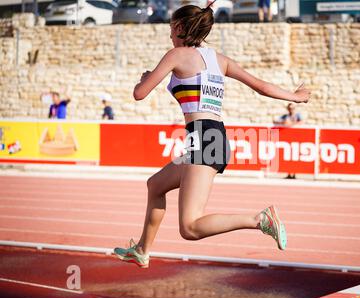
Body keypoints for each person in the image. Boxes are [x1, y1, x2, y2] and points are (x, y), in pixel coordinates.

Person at [113, 2, 311, 268]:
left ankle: (259, 220)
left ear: (181, 28)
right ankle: (142, 250)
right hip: (210, 138)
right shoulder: (220, 60)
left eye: (172, 29)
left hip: (204, 140)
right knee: (155, 185)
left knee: (190, 227)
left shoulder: (176, 55)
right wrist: (295, 97)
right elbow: (261, 87)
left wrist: (145, 78)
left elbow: (139, 93)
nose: (170, 35)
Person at [273, 103, 303, 179]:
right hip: (288, 140)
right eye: (289, 108)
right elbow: (275, 121)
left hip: (296, 139)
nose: (291, 110)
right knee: (288, 156)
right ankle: (289, 173)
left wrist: (291, 124)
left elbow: (301, 122)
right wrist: (284, 123)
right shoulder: (285, 116)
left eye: (292, 108)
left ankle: (294, 173)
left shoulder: (297, 116)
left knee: (295, 157)